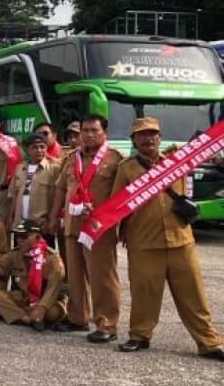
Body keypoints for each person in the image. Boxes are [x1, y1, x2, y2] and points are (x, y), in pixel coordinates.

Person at [113, 117, 224, 360]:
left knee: (193, 293)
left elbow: (205, 146)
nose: (148, 138)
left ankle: (209, 342)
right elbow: (117, 205)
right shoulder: (126, 168)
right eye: (141, 135)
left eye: (152, 133)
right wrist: (117, 232)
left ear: (160, 137)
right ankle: (139, 336)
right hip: (143, 242)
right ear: (133, 140)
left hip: (180, 240)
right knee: (144, 293)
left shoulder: (177, 162)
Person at [49, 114, 123, 343]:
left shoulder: (116, 159)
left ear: (105, 133)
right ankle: (77, 317)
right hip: (73, 225)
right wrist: (53, 218)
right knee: (75, 275)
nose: (89, 135)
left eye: (94, 131)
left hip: (99, 227)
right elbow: (61, 189)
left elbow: (121, 196)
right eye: (85, 131)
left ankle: (107, 324)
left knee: (102, 277)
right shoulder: (72, 159)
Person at [0, 219, 68, 331]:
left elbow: (53, 289)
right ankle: (26, 319)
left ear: (37, 237)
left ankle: (14, 314)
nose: (20, 240)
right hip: (24, 299)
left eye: (24, 237)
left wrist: (41, 308)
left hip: (46, 301)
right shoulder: (14, 254)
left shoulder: (53, 259)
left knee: (54, 312)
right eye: (18, 236)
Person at [7, 134, 60, 233]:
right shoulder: (20, 168)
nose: (39, 150)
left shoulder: (54, 169)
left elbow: (59, 198)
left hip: (41, 225)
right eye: (34, 147)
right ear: (27, 149)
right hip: (20, 224)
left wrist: (51, 219)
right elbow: (15, 195)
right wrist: (11, 216)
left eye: (42, 147)